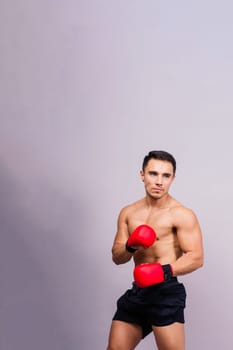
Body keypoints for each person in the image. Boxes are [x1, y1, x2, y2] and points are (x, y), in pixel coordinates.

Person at [106, 150, 204, 350]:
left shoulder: (182, 214)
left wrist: (163, 271)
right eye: (153, 174)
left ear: (173, 179)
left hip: (166, 293)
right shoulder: (129, 213)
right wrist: (130, 245)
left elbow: (196, 257)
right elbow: (117, 256)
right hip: (138, 293)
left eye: (166, 176)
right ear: (142, 174)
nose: (159, 181)